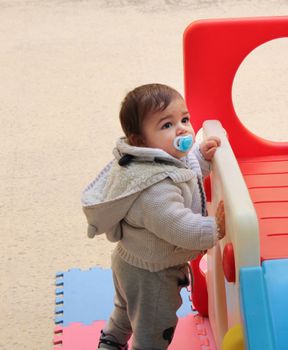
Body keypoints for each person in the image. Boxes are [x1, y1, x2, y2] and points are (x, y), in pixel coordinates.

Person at [81, 83, 225, 350]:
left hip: (133, 261)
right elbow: (179, 226)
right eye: (166, 125)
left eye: (184, 119)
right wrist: (215, 227)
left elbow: (184, 168)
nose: (182, 129)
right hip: (152, 274)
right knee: (153, 330)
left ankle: (110, 342)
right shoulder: (152, 189)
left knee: (125, 310)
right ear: (139, 140)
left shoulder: (158, 159)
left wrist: (201, 158)